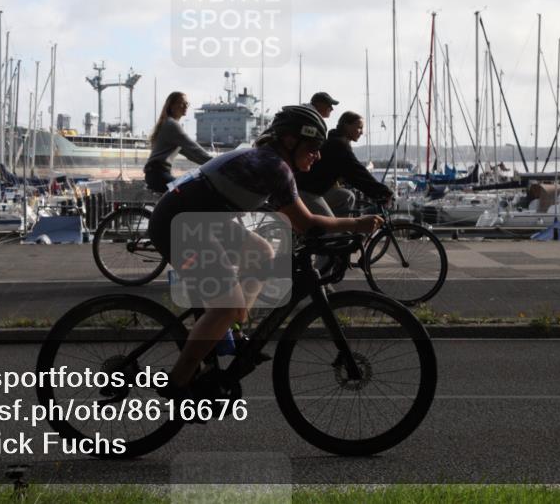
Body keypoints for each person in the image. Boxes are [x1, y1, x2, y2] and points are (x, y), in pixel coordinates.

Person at [147, 105, 384, 394]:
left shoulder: (268, 160)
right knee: (225, 305)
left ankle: (229, 329)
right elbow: (305, 222)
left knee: (261, 253)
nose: (318, 154)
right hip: (180, 224)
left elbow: (277, 214)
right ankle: (179, 382)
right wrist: (356, 223)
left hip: (198, 216)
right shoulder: (275, 167)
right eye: (312, 146)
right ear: (289, 141)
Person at [295, 111, 393, 217]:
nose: (361, 132)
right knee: (331, 227)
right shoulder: (339, 145)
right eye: (359, 127)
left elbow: (353, 172)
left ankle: (343, 230)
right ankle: (334, 230)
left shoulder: (338, 141)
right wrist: (383, 191)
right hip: (307, 192)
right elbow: (357, 172)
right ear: (346, 125)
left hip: (315, 190)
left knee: (347, 196)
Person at [144, 92, 212, 193]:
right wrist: (217, 163)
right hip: (158, 174)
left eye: (187, 104)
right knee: (187, 191)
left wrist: (209, 164)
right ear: (171, 106)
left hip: (155, 173)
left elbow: (191, 154)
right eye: (181, 103)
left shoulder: (168, 123)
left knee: (189, 184)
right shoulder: (172, 125)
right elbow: (194, 148)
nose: (185, 106)